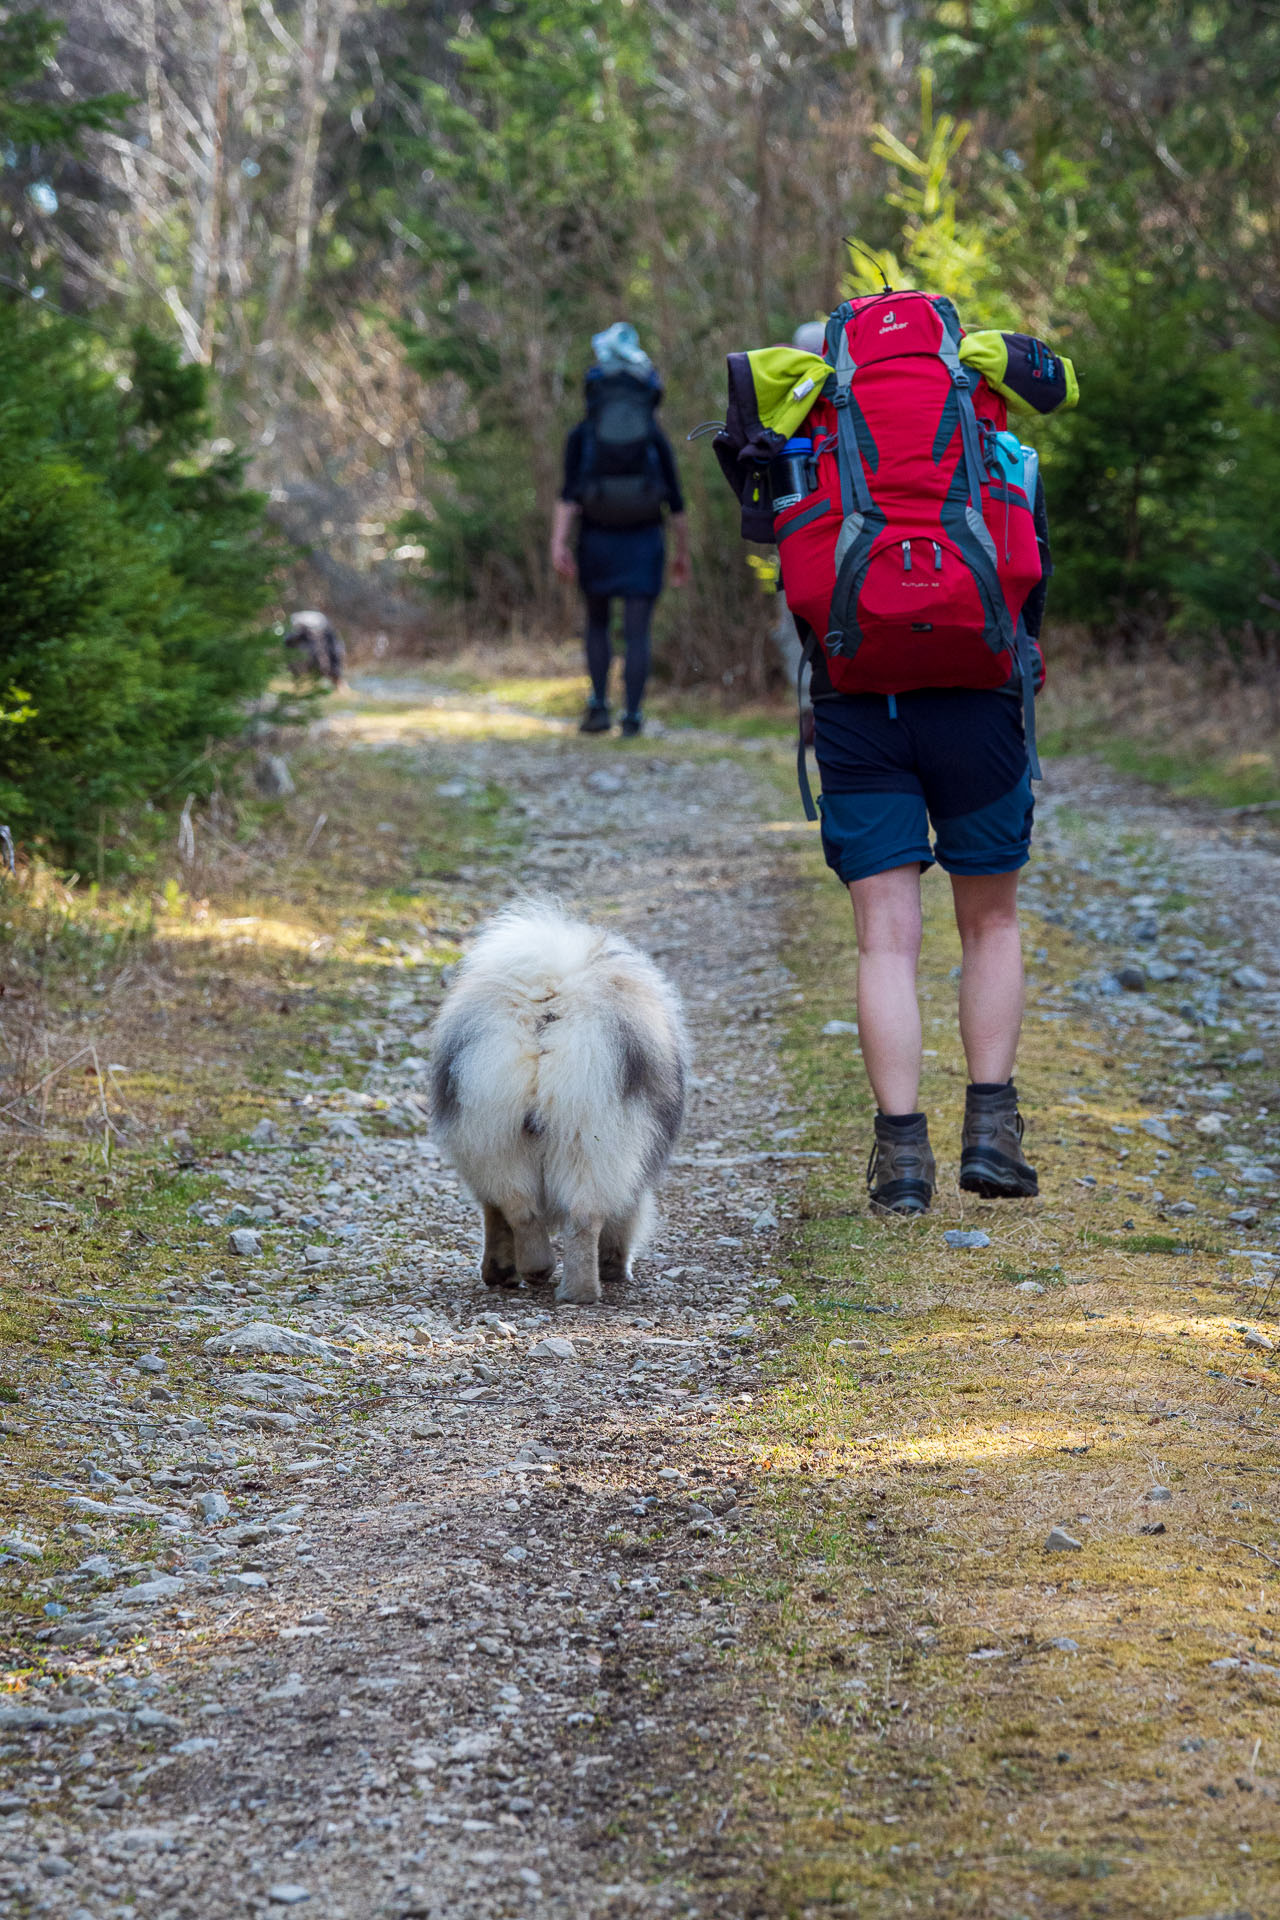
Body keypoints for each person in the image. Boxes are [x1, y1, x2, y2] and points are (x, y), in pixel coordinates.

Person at [550, 323, 690, 737]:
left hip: (596, 537)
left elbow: (568, 493)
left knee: (596, 623)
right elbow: (677, 502)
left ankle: (598, 706)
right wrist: (681, 552)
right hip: (645, 539)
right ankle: (632, 716)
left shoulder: (583, 434)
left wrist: (559, 543)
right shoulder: (653, 436)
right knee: (637, 631)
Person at [283, 609, 345, 689]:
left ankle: (336, 683)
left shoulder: (326, 634)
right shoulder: (324, 634)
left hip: (313, 629)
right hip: (303, 630)